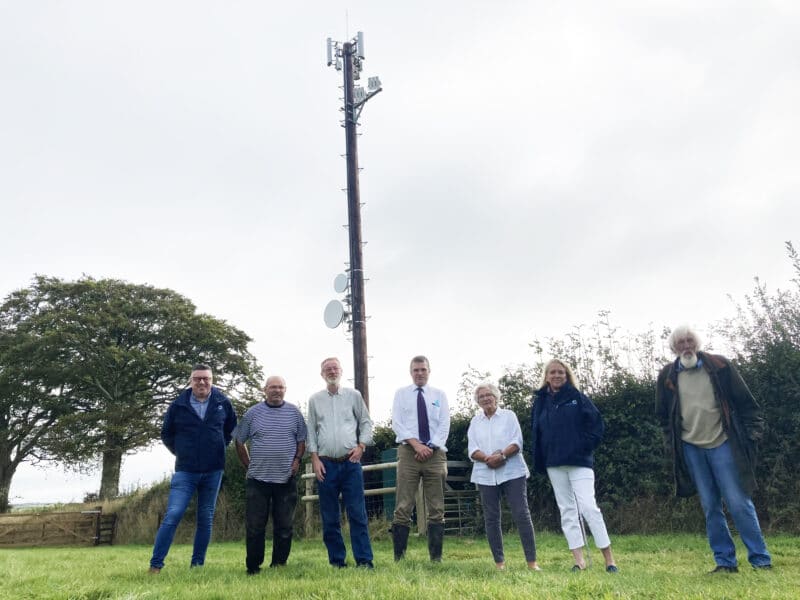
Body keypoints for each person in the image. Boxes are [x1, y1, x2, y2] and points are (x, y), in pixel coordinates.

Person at [656, 325, 772, 573]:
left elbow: (747, 404)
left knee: (739, 502)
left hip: (724, 443)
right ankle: (725, 562)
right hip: (691, 448)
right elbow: (663, 417)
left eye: (689, 341)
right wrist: (671, 445)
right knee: (710, 506)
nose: (686, 346)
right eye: (680, 343)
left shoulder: (720, 366)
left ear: (696, 343)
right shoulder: (667, 376)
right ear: (674, 348)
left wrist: (753, 436)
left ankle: (761, 560)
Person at [531, 359, 618, 573]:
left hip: (579, 462)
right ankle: (579, 560)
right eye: (552, 372)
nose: (557, 375)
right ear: (547, 376)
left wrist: (582, 447)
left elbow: (597, 426)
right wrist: (541, 458)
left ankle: (609, 560)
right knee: (567, 510)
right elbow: (536, 431)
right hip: (554, 463)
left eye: (561, 372)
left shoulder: (578, 398)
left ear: (567, 375)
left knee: (589, 507)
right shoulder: (540, 401)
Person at [149, 363, 237, 574]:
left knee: (205, 518)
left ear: (212, 380)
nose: (202, 382)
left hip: (214, 470)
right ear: (190, 381)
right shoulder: (178, 405)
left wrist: (217, 447)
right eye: (197, 378)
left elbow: (230, 430)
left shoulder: (222, 402)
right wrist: (182, 451)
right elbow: (166, 434)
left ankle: (197, 565)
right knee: (173, 514)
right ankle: (155, 565)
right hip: (185, 471)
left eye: (206, 378)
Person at [307, 357, 375, 569]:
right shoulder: (315, 399)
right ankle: (337, 561)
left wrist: (361, 446)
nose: (331, 371)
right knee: (330, 516)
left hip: (350, 463)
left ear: (341, 371)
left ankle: (364, 560)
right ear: (322, 374)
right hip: (326, 464)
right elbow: (311, 430)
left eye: (335, 367)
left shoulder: (354, 395)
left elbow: (365, 422)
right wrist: (315, 459)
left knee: (357, 513)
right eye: (327, 368)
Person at [235, 376, 307, 575]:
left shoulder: (294, 413)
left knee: (284, 525)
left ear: (286, 390)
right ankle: (253, 566)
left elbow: (302, 440)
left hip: (285, 479)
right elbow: (239, 441)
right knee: (255, 526)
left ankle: (279, 564)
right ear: (264, 390)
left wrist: (297, 461)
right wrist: (248, 465)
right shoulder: (253, 413)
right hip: (257, 480)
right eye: (273, 387)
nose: (277, 390)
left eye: (280, 387)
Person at [467, 382, 540, 571]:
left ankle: (532, 563)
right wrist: (488, 459)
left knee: (521, 513)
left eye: (488, 394)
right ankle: (499, 564)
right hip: (485, 473)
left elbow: (517, 442)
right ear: (478, 401)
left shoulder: (509, 416)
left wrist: (502, 456)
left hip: (512, 471)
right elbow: (472, 449)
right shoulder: (475, 422)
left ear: (496, 396)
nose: (485, 398)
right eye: (481, 396)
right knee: (491, 518)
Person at [390, 355, 450, 562]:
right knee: (403, 505)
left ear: (429, 371)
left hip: (435, 454)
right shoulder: (401, 394)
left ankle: (436, 558)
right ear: (411, 372)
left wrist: (430, 446)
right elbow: (397, 423)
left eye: (423, 369)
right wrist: (417, 445)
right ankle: (400, 557)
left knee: (436, 506)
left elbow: (444, 424)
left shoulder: (439, 395)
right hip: (408, 452)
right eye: (416, 370)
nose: (419, 373)